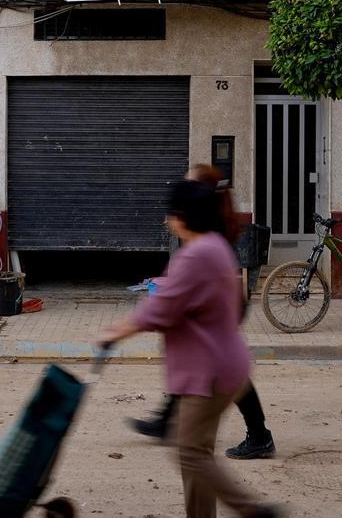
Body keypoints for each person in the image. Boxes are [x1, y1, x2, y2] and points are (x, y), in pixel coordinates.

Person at [99, 180, 279, 518]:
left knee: (189, 453)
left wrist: (114, 331)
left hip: (208, 374)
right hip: (224, 366)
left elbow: (160, 309)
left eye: (169, 213)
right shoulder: (213, 246)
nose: (167, 219)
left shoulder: (196, 254)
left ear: (180, 217)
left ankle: (253, 511)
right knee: (198, 453)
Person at [128, 165, 276, 461]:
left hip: (221, 304)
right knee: (196, 355)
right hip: (218, 302)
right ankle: (165, 419)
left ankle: (259, 435)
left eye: (189, 182)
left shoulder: (210, 224)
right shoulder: (211, 219)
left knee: (225, 369)